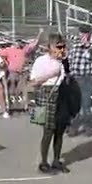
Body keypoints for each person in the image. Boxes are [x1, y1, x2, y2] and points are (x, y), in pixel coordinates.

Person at [28, 33, 74, 173]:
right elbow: (33, 83)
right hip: (46, 94)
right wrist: (51, 74)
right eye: (58, 47)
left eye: (62, 46)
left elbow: (68, 77)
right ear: (50, 47)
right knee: (48, 131)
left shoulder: (63, 61)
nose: (61, 49)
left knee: (60, 130)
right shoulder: (41, 61)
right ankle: (43, 162)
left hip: (61, 95)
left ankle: (56, 161)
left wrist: (64, 63)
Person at [65, 25, 92, 134]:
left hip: (86, 78)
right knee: (74, 104)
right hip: (75, 78)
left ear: (89, 34)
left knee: (86, 104)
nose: (83, 35)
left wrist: (87, 46)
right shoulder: (74, 45)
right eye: (81, 33)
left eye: (85, 33)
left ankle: (87, 126)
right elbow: (69, 60)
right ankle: (73, 127)